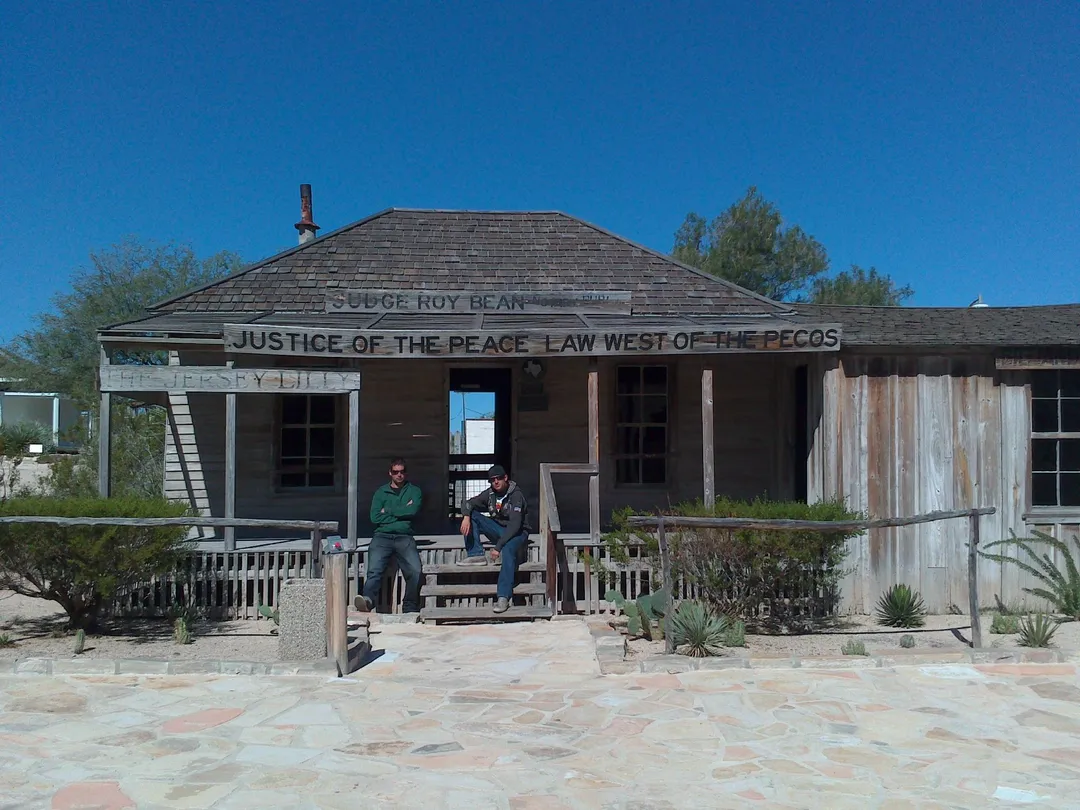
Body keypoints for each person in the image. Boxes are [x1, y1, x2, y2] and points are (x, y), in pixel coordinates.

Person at [458, 465, 533, 614]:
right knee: (473, 514)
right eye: (492, 480)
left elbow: (515, 525)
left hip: (518, 533)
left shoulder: (516, 495)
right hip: (498, 529)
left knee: (508, 550)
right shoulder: (490, 494)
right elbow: (468, 503)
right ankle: (476, 554)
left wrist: (498, 547)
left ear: (505, 478)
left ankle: (503, 596)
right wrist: (466, 516)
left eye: (498, 478)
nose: (496, 482)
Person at [355, 458, 423, 614]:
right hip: (382, 536)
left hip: (404, 536)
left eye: (402, 472)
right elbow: (375, 517)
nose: (399, 475)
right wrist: (402, 511)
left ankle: (410, 605)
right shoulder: (381, 492)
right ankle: (367, 600)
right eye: (395, 472)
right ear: (390, 473)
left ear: (406, 473)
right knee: (374, 570)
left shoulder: (415, 491)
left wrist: (389, 511)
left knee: (415, 570)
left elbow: (412, 512)